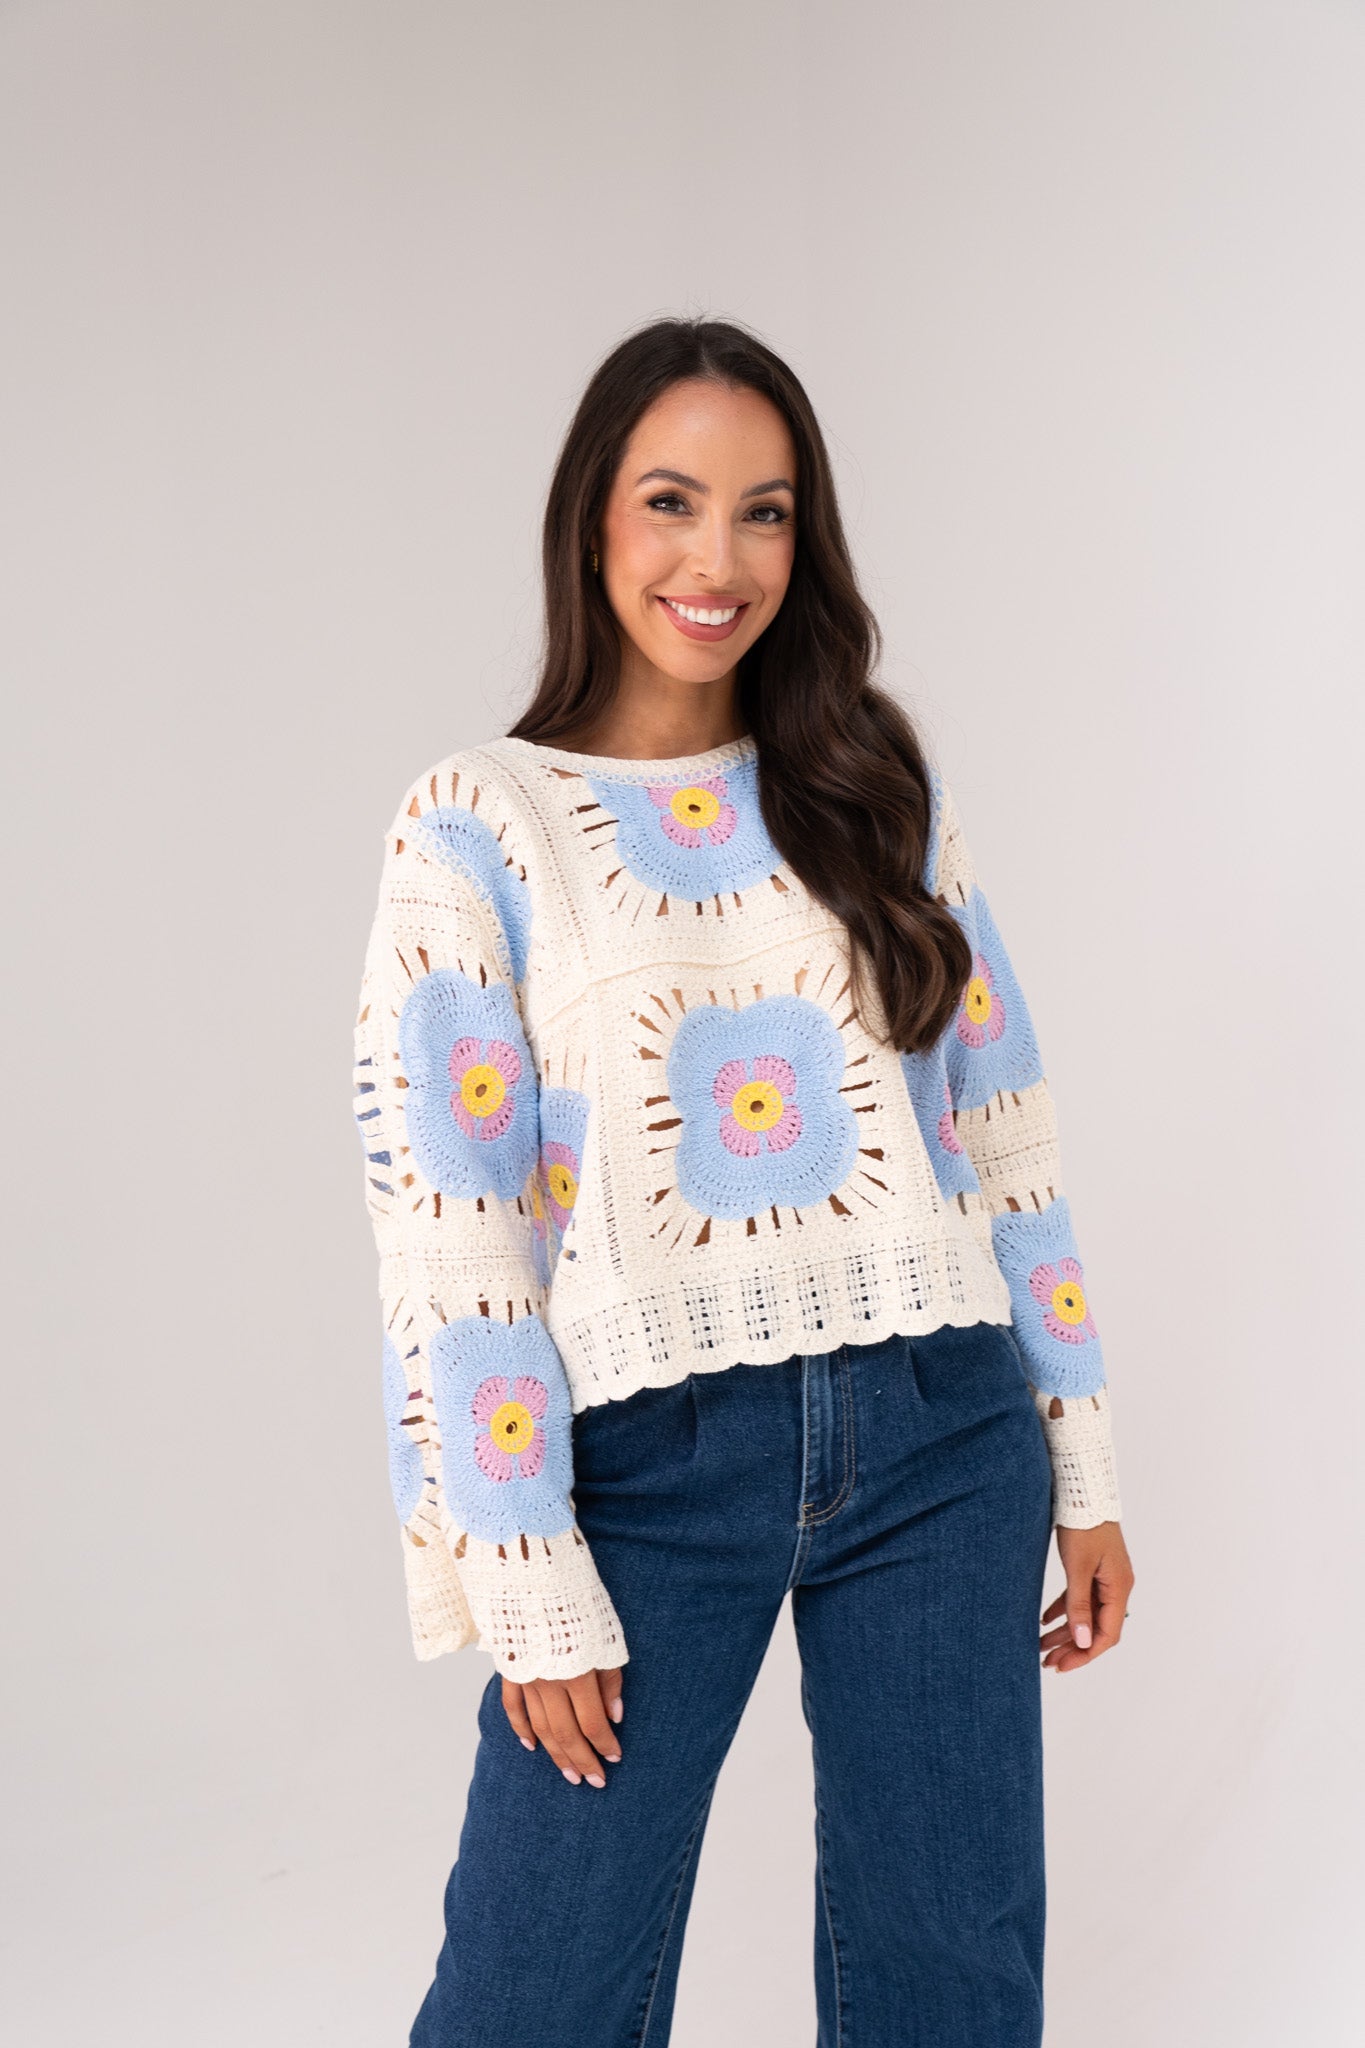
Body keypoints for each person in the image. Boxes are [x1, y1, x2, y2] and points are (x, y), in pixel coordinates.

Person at [353, 316, 1135, 2048]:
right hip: (642, 1464)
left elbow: (999, 1127)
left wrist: (1078, 1456)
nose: (717, 561)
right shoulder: (480, 821)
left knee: (949, 1984)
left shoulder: (871, 788)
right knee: (530, 1994)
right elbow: (449, 1224)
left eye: (764, 512)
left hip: (940, 1434)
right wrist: (522, 1565)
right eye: (671, 502)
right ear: (591, 517)